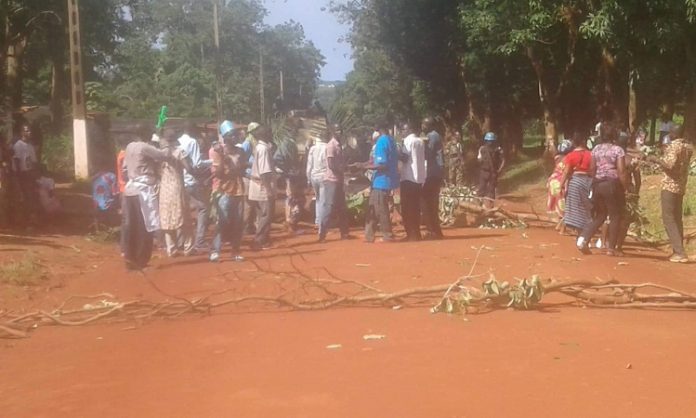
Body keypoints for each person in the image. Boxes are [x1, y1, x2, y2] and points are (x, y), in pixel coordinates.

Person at [122, 125, 169, 270]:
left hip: (130, 190)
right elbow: (164, 155)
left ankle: (130, 258)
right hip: (143, 190)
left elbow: (125, 168)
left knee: (132, 226)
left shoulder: (130, 147)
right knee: (145, 226)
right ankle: (141, 260)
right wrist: (163, 141)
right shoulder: (144, 147)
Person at [577, 125, 627, 256]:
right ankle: (612, 248)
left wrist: (595, 182)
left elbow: (592, 169)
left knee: (600, 215)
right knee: (615, 215)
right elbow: (621, 171)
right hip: (612, 185)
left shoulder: (596, 149)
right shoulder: (618, 150)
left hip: (598, 185)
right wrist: (626, 187)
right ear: (615, 135)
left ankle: (584, 239)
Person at [649, 125, 693, 263]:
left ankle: (680, 252)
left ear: (674, 134)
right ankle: (677, 250)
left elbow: (669, 165)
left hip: (670, 185)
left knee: (668, 219)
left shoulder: (674, 146)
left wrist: (655, 159)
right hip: (680, 186)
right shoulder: (688, 147)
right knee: (677, 218)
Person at [209, 121, 247, 262]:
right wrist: (223, 159)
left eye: (236, 135)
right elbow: (219, 174)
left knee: (238, 222)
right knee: (221, 221)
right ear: (225, 138)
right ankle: (215, 250)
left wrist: (235, 168)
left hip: (238, 189)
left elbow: (241, 169)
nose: (235, 137)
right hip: (223, 190)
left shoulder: (240, 151)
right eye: (232, 135)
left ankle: (235, 251)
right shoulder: (217, 151)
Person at [362, 123, 399, 243]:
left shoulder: (381, 142)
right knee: (373, 208)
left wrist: (365, 167)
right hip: (385, 180)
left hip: (381, 181)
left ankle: (387, 235)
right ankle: (369, 235)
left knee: (381, 209)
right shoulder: (391, 140)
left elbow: (382, 164)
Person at [159, 129, 194, 258]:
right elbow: (189, 168)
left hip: (164, 187)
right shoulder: (179, 152)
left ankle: (171, 249)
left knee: (167, 217)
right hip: (177, 186)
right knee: (184, 217)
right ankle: (188, 248)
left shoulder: (159, 153)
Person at [177, 121, 211, 252]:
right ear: (192, 130)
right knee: (203, 208)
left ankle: (181, 241)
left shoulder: (178, 141)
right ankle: (200, 241)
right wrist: (213, 161)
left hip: (180, 181)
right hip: (191, 180)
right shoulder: (192, 142)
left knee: (184, 211)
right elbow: (197, 163)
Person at [318, 124, 350, 242]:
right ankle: (322, 234)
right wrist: (342, 170)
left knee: (342, 207)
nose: (340, 132)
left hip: (338, 180)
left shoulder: (339, 145)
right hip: (331, 180)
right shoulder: (331, 145)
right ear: (333, 131)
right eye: (337, 130)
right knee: (329, 207)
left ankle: (344, 233)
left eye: (341, 130)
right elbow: (331, 164)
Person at [248, 125, 276, 250]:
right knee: (266, 214)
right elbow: (264, 171)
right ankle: (259, 240)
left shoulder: (260, 147)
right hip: (263, 185)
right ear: (264, 135)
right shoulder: (263, 149)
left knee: (261, 215)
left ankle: (264, 239)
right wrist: (269, 190)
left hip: (256, 183)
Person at [560, 132, 593, 235]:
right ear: (584, 142)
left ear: (574, 143)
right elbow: (593, 169)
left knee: (575, 208)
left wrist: (561, 184)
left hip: (574, 182)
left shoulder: (570, 156)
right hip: (588, 182)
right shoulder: (590, 154)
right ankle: (586, 230)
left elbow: (566, 171)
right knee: (587, 206)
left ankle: (579, 231)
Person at [616, 131, 642, 253]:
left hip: (614, 188)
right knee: (625, 220)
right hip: (629, 191)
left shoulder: (612, 157)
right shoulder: (631, 160)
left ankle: (608, 242)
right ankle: (619, 246)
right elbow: (638, 180)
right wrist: (636, 193)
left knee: (611, 216)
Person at [399, 123, 426, 241]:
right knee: (415, 207)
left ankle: (411, 234)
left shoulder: (407, 141)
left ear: (409, 129)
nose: (401, 131)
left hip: (408, 177)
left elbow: (405, 158)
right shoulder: (420, 141)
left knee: (407, 208)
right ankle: (416, 233)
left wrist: (395, 151)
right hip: (419, 178)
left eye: (403, 129)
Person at [422, 118, 445, 239]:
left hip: (433, 173)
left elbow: (428, 153)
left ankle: (432, 230)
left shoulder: (432, 136)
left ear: (429, 125)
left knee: (428, 201)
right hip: (435, 172)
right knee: (431, 202)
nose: (422, 126)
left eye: (424, 124)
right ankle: (435, 230)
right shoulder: (435, 135)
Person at [12, 124, 40, 225]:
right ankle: (24, 221)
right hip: (22, 175)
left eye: (29, 131)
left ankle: (31, 219)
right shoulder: (18, 145)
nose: (29, 133)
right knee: (24, 197)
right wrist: (19, 178)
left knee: (32, 196)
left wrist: (36, 176)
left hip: (30, 174)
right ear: (22, 133)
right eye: (27, 131)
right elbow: (16, 161)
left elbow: (34, 162)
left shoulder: (30, 146)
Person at [547, 140, 572, 234]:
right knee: (565, 206)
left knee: (558, 205)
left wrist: (551, 144)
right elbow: (567, 173)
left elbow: (552, 152)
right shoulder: (569, 159)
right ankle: (562, 229)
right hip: (561, 182)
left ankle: (559, 225)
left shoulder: (557, 157)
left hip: (552, 182)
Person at [240, 122, 260, 234]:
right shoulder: (247, 143)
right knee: (248, 204)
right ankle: (245, 227)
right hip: (248, 176)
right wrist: (253, 164)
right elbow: (241, 161)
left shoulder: (256, 142)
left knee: (255, 203)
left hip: (255, 176)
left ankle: (252, 226)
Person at [477, 132, 505, 210]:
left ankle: (490, 207)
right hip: (484, 171)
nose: (490, 142)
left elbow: (503, 160)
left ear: (494, 141)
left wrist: (499, 170)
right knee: (481, 188)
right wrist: (481, 160)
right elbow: (478, 159)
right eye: (488, 141)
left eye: (491, 141)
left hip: (493, 172)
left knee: (491, 190)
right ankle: (478, 206)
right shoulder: (482, 149)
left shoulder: (498, 149)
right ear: (486, 141)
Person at [306, 135, 328, 226]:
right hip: (323, 176)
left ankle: (318, 220)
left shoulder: (312, 149)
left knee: (318, 198)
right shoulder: (327, 147)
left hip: (313, 176)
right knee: (323, 200)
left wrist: (308, 178)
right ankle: (322, 222)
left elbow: (309, 165)